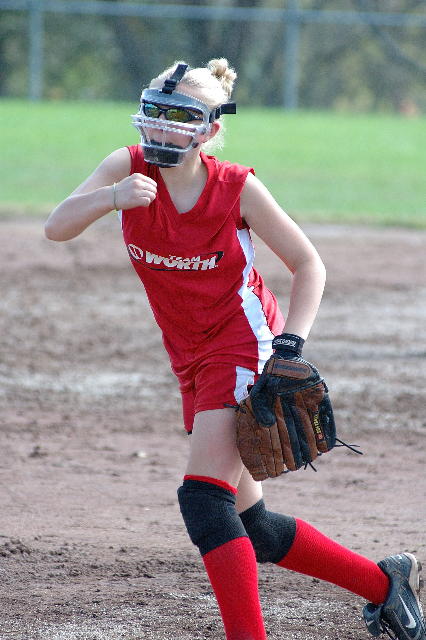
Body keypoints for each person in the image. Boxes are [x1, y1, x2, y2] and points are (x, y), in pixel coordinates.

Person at [44, 59, 425, 640]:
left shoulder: (236, 187)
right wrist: (112, 197)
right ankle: (385, 584)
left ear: (209, 130)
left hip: (245, 345)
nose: (163, 128)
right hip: (189, 358)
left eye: (180, 118)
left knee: (204, 500)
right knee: (255, 526)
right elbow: (57, 227)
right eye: (155, 113)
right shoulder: (127, 167)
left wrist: (290, 345)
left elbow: (308, 264)